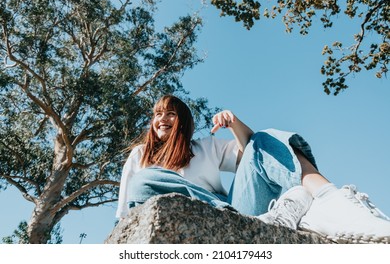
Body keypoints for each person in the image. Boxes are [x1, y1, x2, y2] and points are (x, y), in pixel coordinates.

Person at [116, 95, 390, 243]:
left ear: (182, 121)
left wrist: (234, 123)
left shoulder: (205, 147)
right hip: (216, 210)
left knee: (263, 138)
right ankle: (284, 211)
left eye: (170, 113)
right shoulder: (140, 155)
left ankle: (334, 199)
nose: (162, 119)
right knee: (146, 179)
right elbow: (126, 209)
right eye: (157, 114)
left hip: (236, 211)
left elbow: (254, 154)